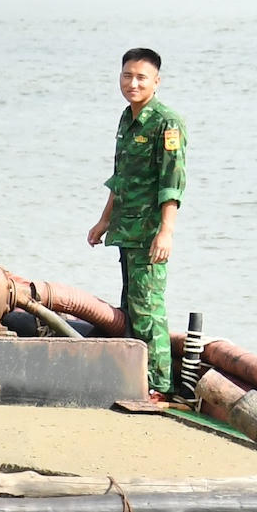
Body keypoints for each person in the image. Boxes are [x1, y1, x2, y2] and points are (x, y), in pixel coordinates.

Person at [84, 47, 184, 396]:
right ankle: (135, 378)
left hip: (150, 233)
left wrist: (166, 232)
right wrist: (103, 221)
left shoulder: (166, 123)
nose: (133, 83)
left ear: (157, 81)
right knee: (131, 305)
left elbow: (172, 183)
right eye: (127, 76)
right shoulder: (127, 118)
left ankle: (159, 386)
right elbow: (121, 178)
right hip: (127, 229)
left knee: (148, 309)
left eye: (142, 77)